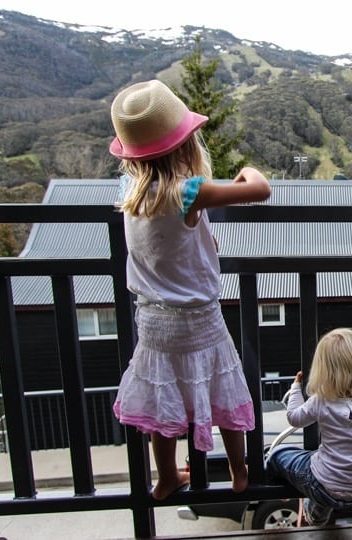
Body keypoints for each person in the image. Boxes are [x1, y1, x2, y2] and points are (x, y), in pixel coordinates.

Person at [109, 79, 272, 500]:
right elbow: (260, 188)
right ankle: (239, 473)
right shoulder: (188, 192)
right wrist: (247, 171)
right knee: (223, 389)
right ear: (184, 146)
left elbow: (175, 245)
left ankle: (165, 477)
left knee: (163, 399)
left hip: (154, 321)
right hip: (199, 319)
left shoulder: (134, 197)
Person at [266, 328, 352, 526]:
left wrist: (295, 388)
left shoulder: (322, 401)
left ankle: (281, 490)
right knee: (328, 476)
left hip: (324, 482)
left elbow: (294, 418)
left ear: (322, 369)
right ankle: (316, 515)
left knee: (278, 454)